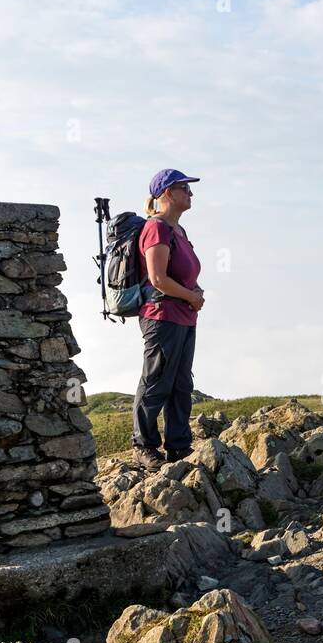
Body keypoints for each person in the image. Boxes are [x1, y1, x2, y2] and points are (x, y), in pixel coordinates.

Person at [131, 168, 205, 469]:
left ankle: (178, 446)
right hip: (162, 316)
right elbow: (158, 278)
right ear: (166, 194)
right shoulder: (157, 228)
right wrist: (190, 297)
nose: (190, 193)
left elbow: (184, 274)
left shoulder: (179, 232)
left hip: (184, 317)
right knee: (157, 379)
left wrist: (194, 291)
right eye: (184, 188)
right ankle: (143, 446)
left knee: (180, 383)